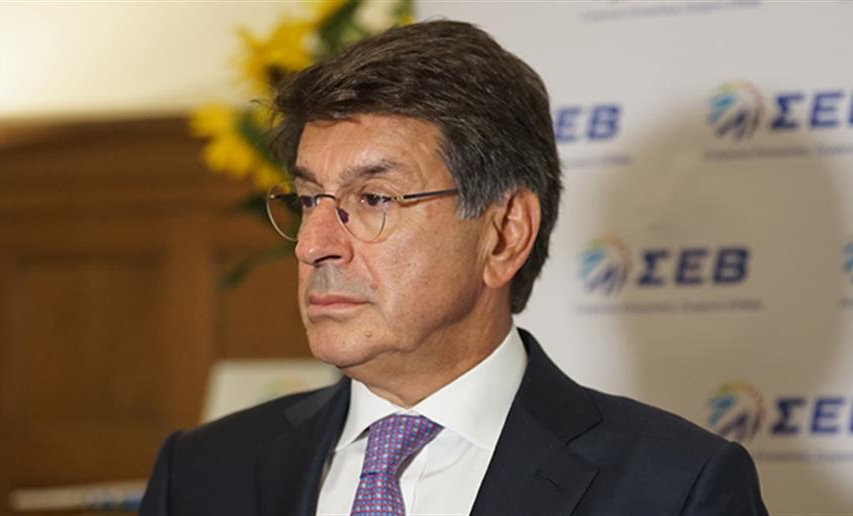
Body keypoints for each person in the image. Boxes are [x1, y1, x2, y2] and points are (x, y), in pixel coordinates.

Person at [140, 20, 768, 516]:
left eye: (374, 199)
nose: (313, 246)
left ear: (504, 234)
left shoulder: (674, 487)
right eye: (309, 201)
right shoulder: (201, 473)